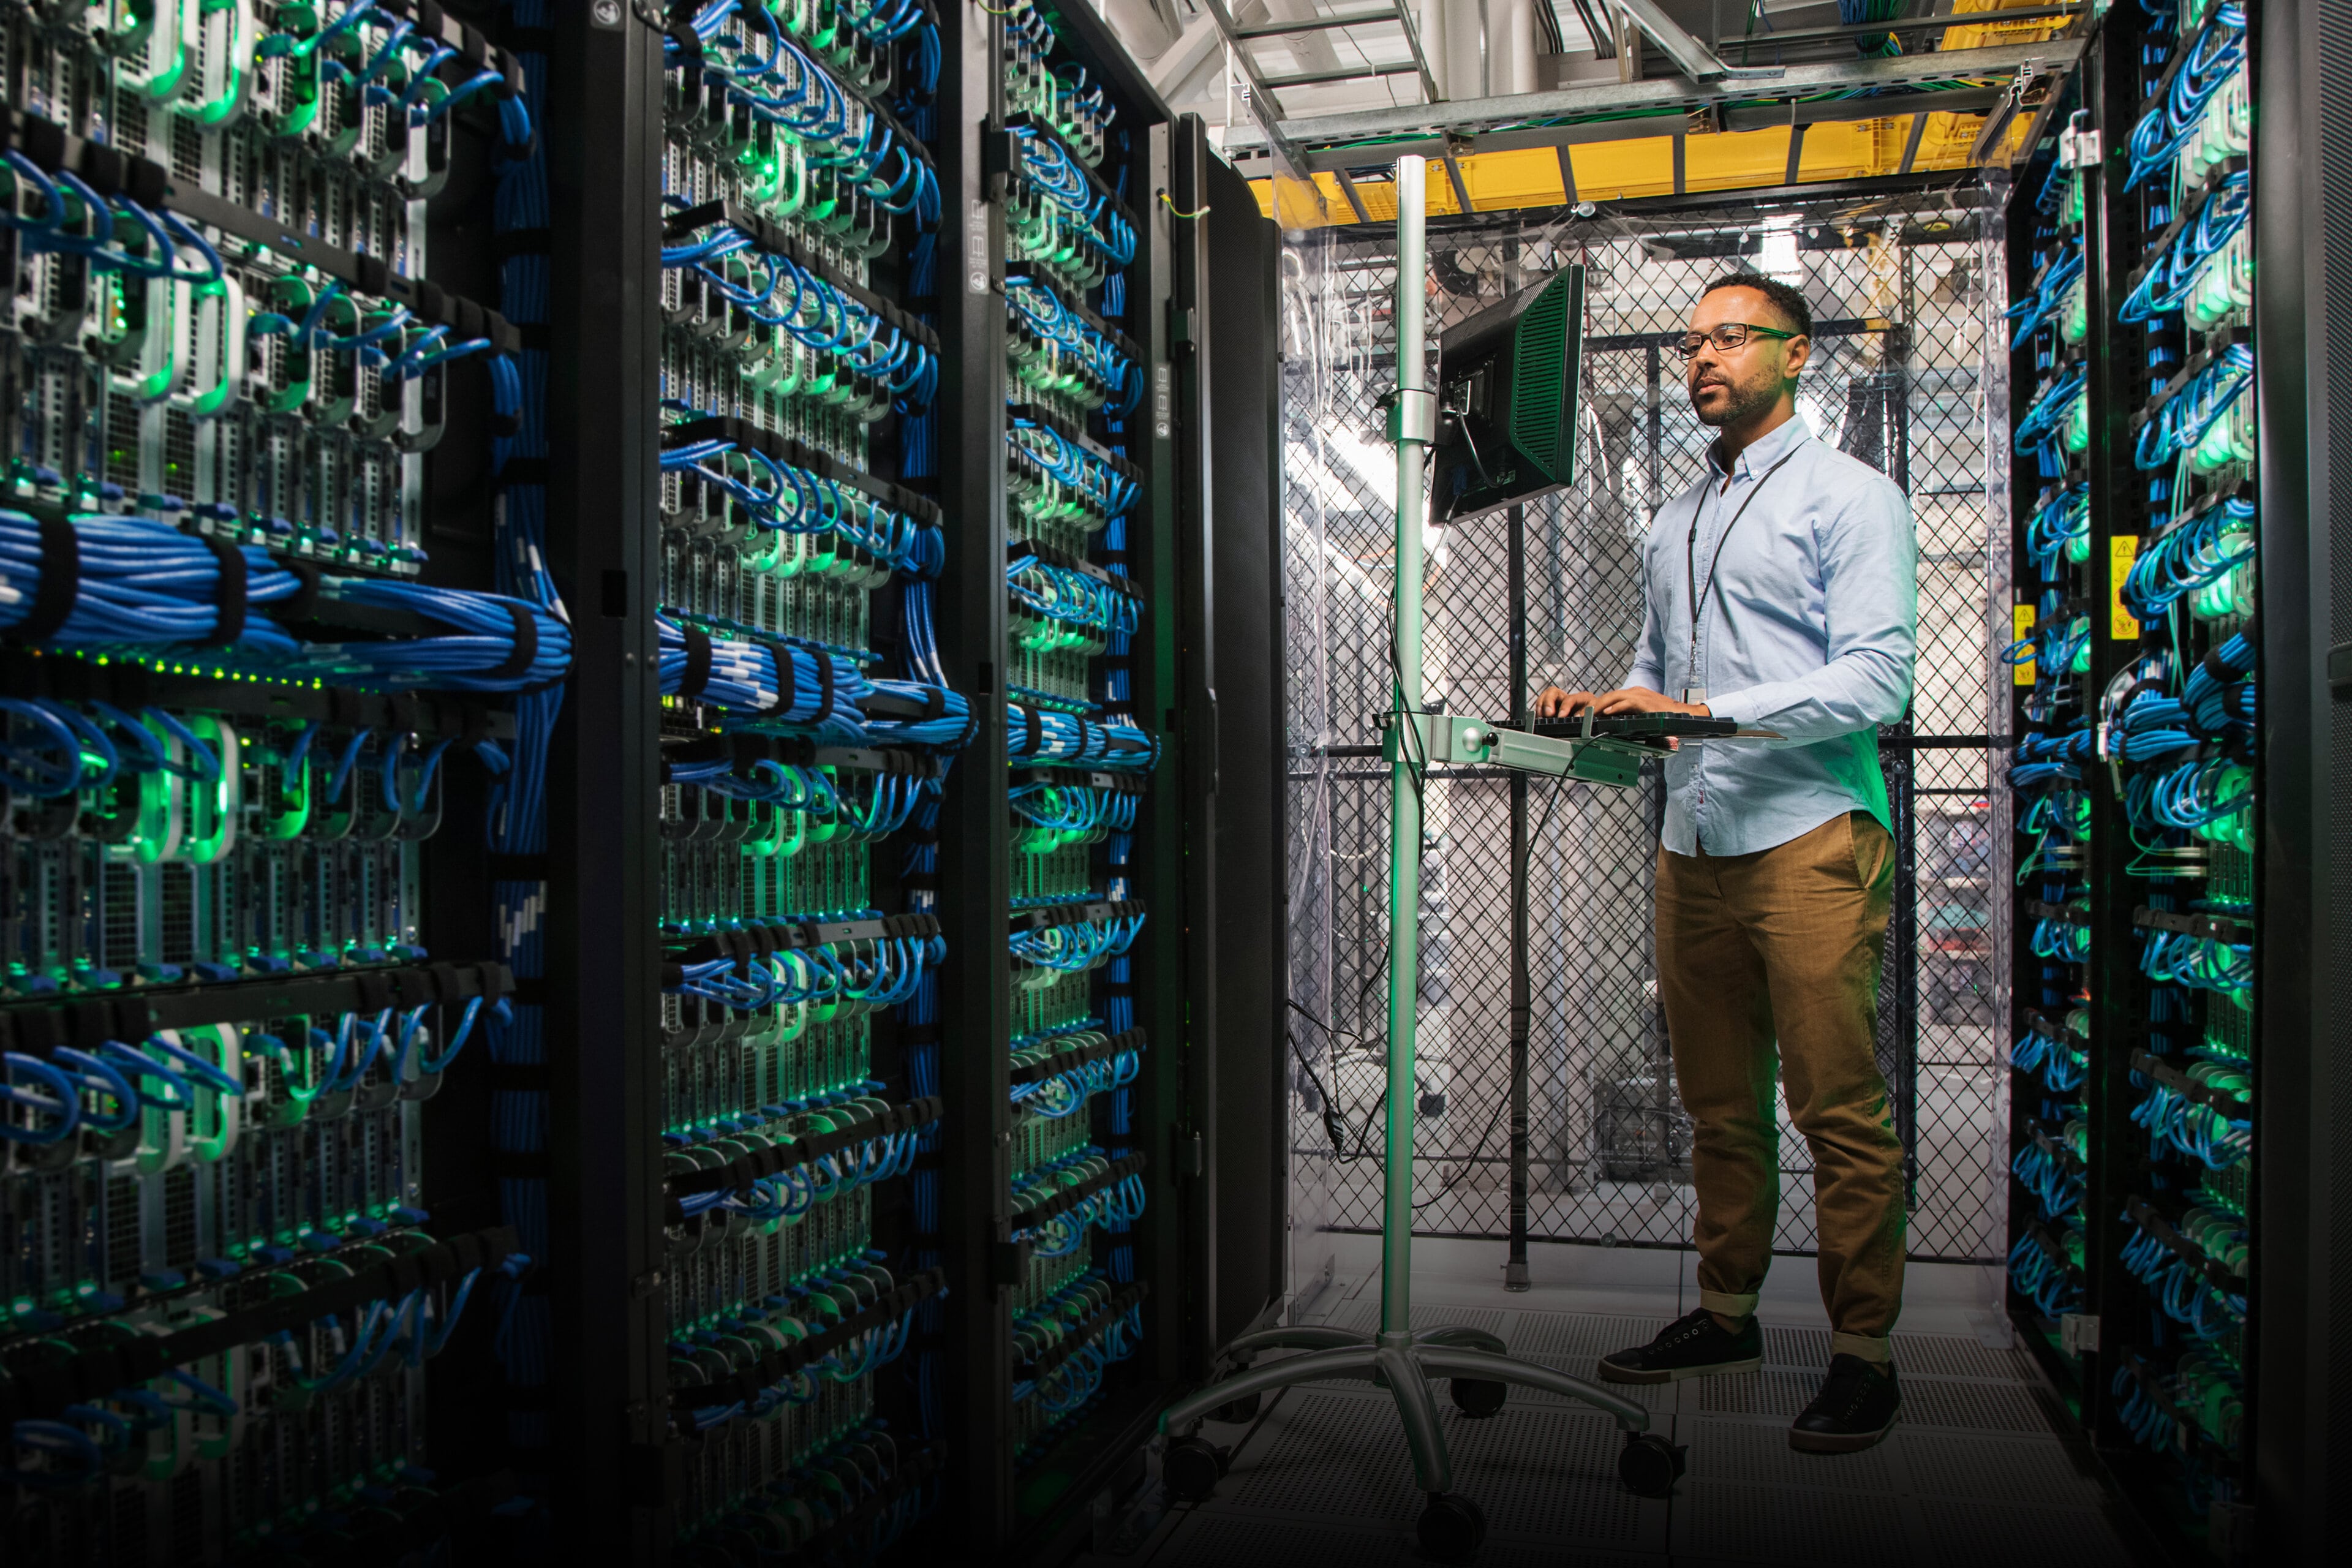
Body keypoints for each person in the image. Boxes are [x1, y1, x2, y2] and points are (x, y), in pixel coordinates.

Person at [1536, 271, 1917, 1454]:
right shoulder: (1675, 518)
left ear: (1799, 355)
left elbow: (1878, 679)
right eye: (1693, 342)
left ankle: (1863, 1355)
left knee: (1838, 1109)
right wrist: (1612, 704)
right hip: (1689, 842)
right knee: (1718, 1108)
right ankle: (1728, 1314)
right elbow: (1660, 667)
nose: (1704, 358)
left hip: (1805, 832)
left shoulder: (1854, 499)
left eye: (1731, 338)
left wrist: (1709, 714)